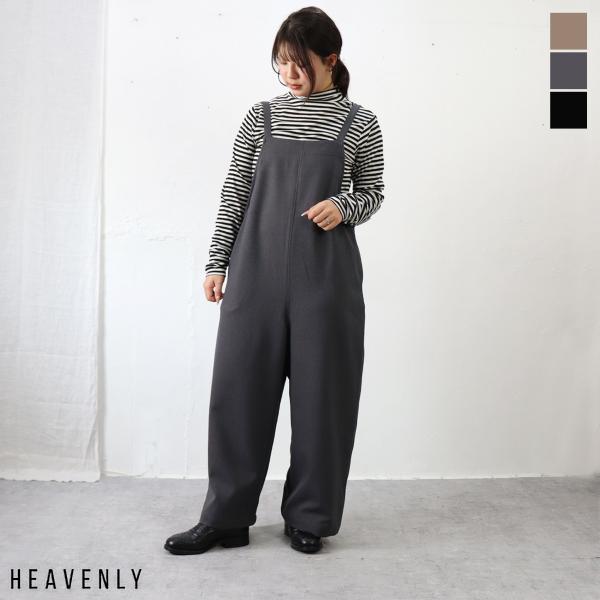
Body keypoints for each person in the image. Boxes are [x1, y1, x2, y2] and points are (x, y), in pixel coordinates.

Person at [164, 6, 384, 555]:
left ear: (330, 59)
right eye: (282, 63)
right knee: (237, 394)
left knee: (322, 400)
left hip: (326, 279)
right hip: (255, 273)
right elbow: (235, 192)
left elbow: (374, 192)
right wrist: (217, 262)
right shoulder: (260, 118)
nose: (289, 74)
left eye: (299, 63)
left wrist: (344, 205)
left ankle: (309, 517)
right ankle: (226, 518)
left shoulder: (360, 123)